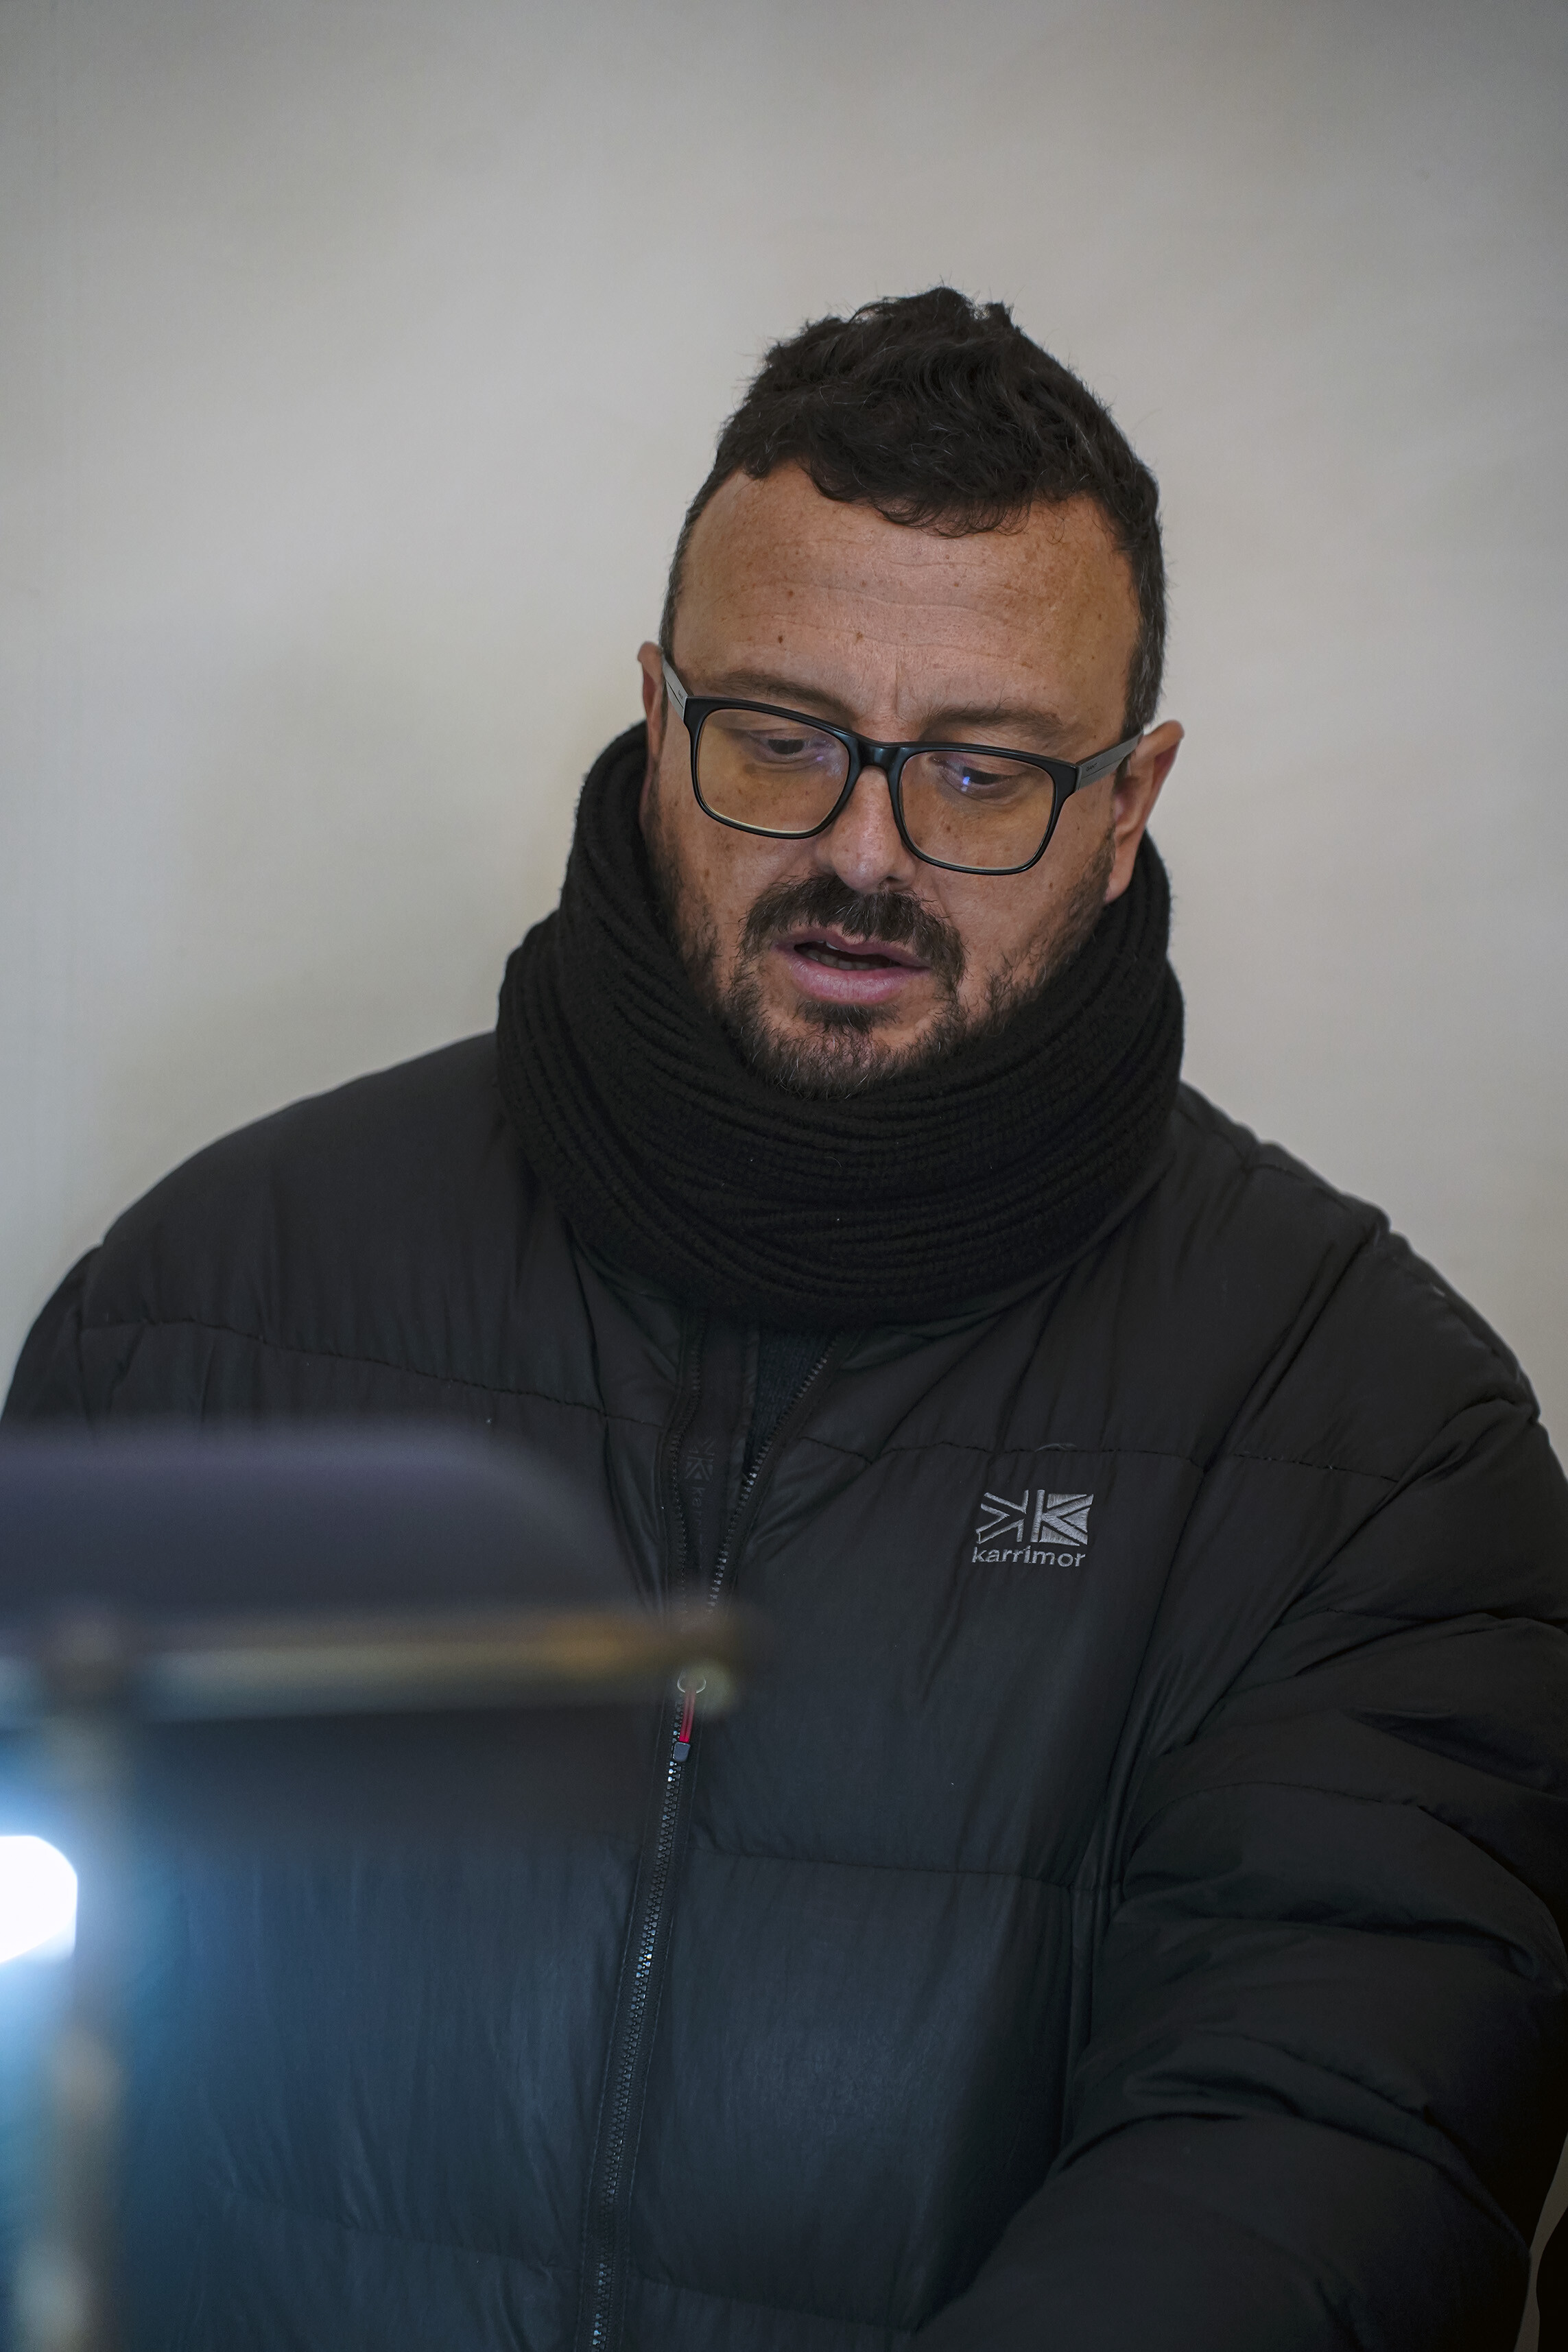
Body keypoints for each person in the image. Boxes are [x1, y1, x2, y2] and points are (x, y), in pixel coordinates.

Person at [7, 287, 1568, 2352]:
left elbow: (1318, 2167)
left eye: (983, 774)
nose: (862, 853)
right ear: (660, 721)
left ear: (1130, 805)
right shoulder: (204, 1317)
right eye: (781, 740)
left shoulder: (1374, 1446)